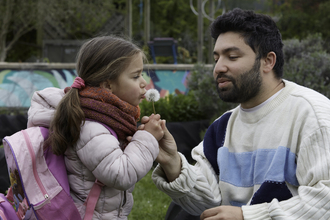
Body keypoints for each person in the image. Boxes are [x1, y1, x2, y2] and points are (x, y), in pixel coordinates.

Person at [146, 8, 330, 220]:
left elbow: (325, 200)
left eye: (232, 56)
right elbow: (205, 204)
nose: (218, 68)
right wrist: (172, 162)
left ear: (268, 61)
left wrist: (247, 216)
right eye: (216, 58)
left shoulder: (313, 115)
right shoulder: (222, 127)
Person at [27, 36, 164, 219]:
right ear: (108, 85)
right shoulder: (91, 126)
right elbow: (120, 173)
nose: (143, 82)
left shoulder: (104, 117)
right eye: (135, 76)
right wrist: (148, 138)